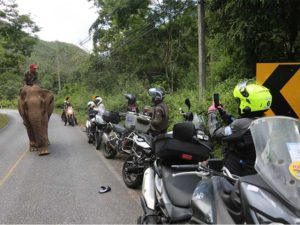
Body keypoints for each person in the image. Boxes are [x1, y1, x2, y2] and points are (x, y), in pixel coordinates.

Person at [207, 81, 272, 177]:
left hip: (235, 173)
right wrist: (222, 111)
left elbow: (215, 133)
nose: (239, 103)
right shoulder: (265, 122)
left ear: (248, 103)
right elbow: (236, 125)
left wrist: (211, 112)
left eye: (240, 101)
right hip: (253, 171)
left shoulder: (241, 125)